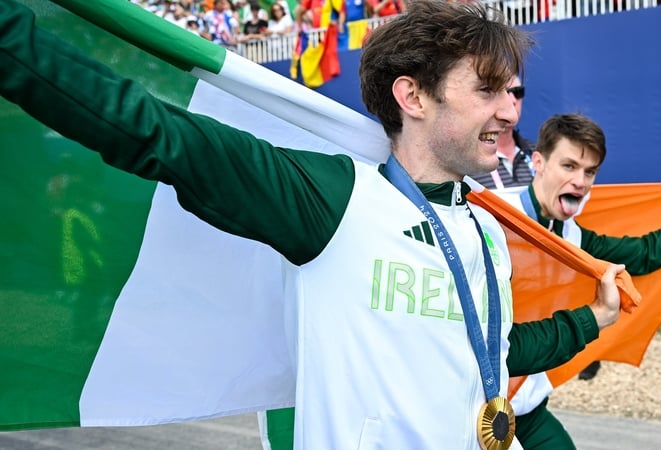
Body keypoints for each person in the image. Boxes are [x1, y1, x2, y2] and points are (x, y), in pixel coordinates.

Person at [0, 1, 626, 449]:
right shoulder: (333, 198)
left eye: (514, 93)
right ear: (413, 97)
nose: (510, 111)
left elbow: (492, 351)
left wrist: (592, 320)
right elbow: (154, 132)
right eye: (488, 90)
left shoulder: (486, 228)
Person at [497, 113, 661, 449]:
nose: (580, 181)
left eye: (590, 172)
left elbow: (646, 253)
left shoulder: (573, 236)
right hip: (472, 405)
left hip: (527, 408)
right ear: (538, 162)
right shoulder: (491, 217)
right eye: (569, 166)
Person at [470, 75, 535, 190]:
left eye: (518, 92)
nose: (513, 100)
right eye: (505, 91)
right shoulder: (469, 157)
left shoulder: (537, 152)